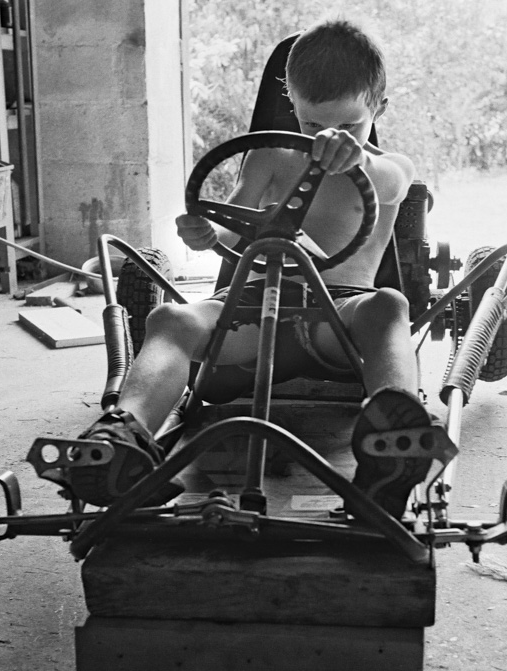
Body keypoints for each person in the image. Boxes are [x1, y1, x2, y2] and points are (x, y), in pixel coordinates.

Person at [70, 19, 440, 520]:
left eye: (347, 126)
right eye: (311, 125)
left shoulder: (391, 165)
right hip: (250, 306)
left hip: (341, 314)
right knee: (172, 321)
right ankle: (120, 440)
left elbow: (391, 183)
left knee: (390, 306)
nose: (327, 138)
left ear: (379, 107)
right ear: (293, 107)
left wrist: (357, 153)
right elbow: (231, 227)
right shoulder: (271, 157)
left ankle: (394, 444)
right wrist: (206, 234)